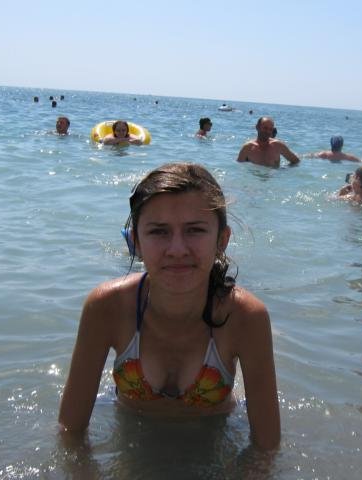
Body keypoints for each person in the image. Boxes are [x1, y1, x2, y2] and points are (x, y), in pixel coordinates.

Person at [58, 163, 280, 450]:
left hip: (214, 436)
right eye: (159, 231)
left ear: (221, 240)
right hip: (131, 431)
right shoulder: (106, 307)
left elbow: (266, 449)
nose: (177, 250)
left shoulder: (246, 317)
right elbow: (70, 433)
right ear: (136, 241)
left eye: (195, 230)